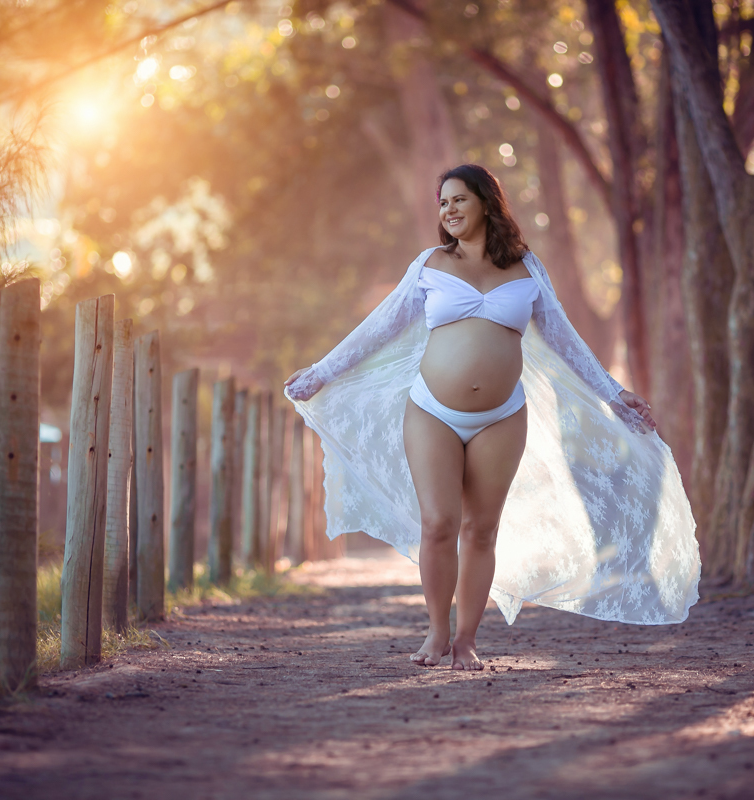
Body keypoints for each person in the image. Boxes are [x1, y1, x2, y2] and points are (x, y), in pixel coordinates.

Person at [285, 164, 699, 670]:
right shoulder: (431, 264)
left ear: (486, 202)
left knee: (481, 530)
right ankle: (435, 635)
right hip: (432, 410)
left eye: (458, 199)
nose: (449, 210)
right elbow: (379, 328)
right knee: (438, 523)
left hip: (502, 416)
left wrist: (615, 394)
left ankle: (466, 641)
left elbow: (564, 338)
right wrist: (321, 372)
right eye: (442, 203)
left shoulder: (527, 268)